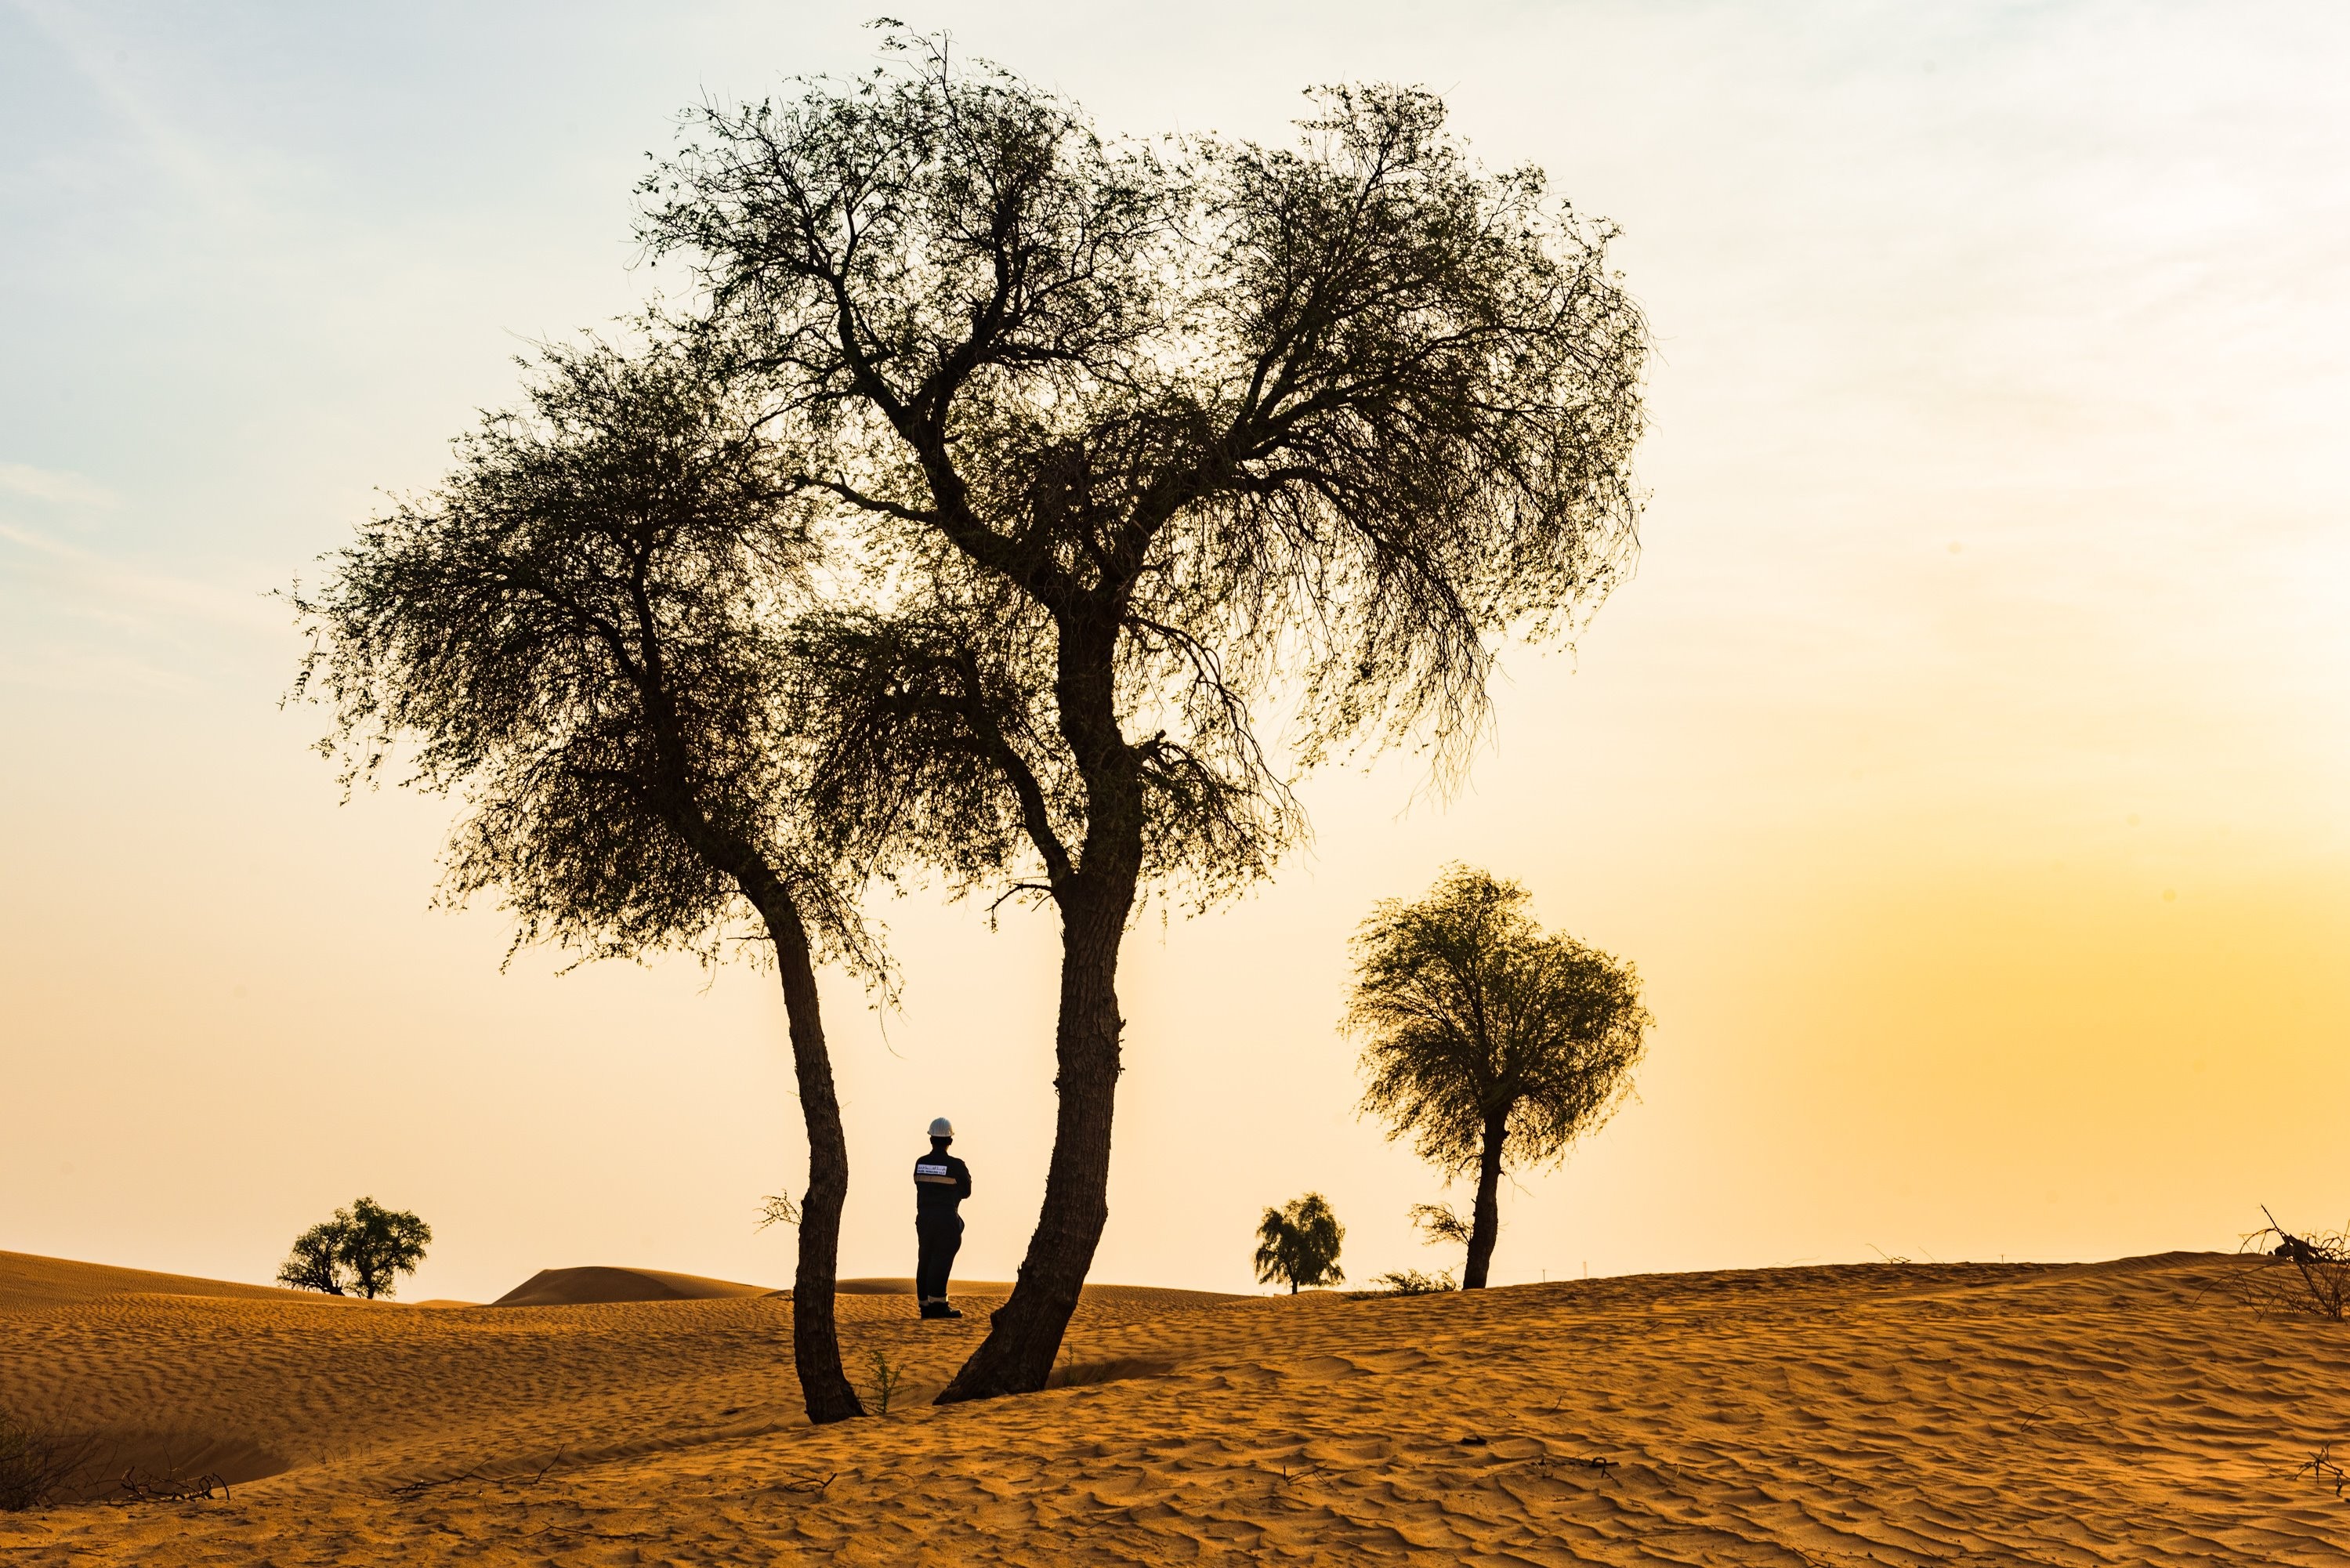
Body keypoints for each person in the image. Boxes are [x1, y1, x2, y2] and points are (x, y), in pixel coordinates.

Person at [913, 1117, 971, 1320]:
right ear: (950, 1141)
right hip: (947, 1220)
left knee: (925, 1258)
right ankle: (938, 1307)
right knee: (941, 1260)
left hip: (925, 1220)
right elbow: (967, 1191)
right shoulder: (956, 1166)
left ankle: (925, 1305)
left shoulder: (920, 1163)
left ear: (931, 1139)